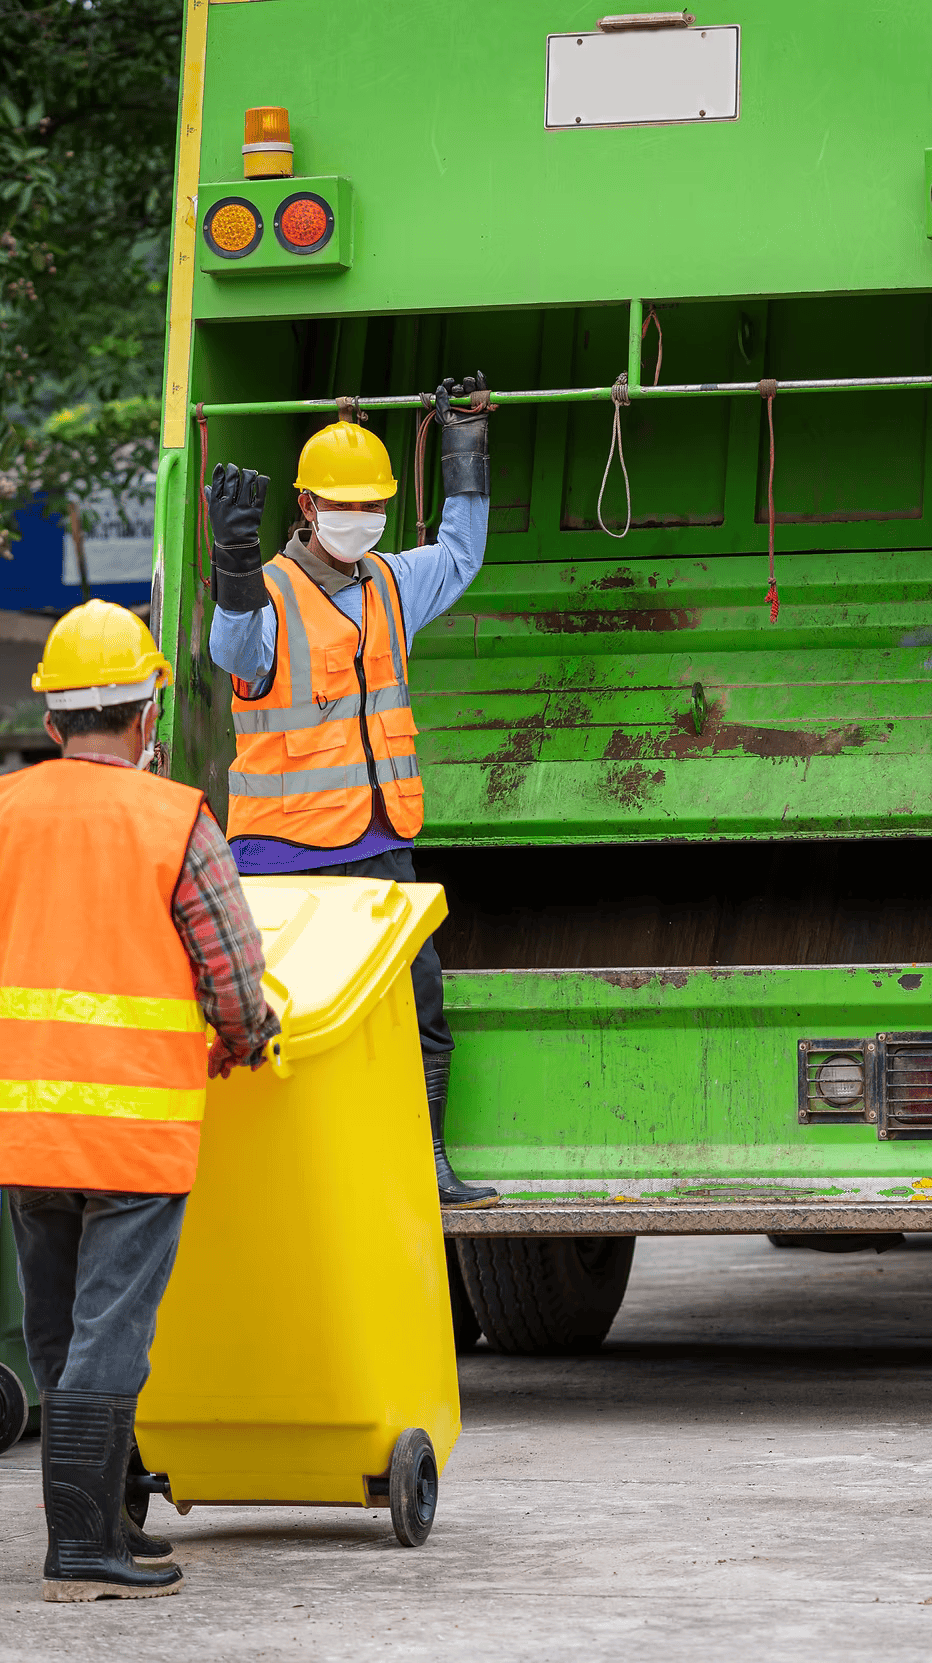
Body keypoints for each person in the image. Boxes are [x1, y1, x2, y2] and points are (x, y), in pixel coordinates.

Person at [0, 601, 279, 1602]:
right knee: (109, 1331)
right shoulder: (175, 819)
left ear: (54, 718)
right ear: (147, 707)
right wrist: (247, 1042)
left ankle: (104, 1516)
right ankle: (81, 1549)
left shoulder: (4, 809)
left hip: (26, 1128)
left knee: (56, 1325)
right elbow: (233, 973)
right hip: (134, 1132)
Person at [205, 375, 496, 1207]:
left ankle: (427, 1163)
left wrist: (465, 444)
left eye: (373, 503)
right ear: (305, 503)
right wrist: (231, 566)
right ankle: (284, 1182)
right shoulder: (265, 596)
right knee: (288, 1024)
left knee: (418, 1008)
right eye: (343, 502)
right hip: (281, 859)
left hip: (377, 846)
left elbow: (462, 553)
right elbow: (235, 654)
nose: (360, 517)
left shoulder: (393, 583)